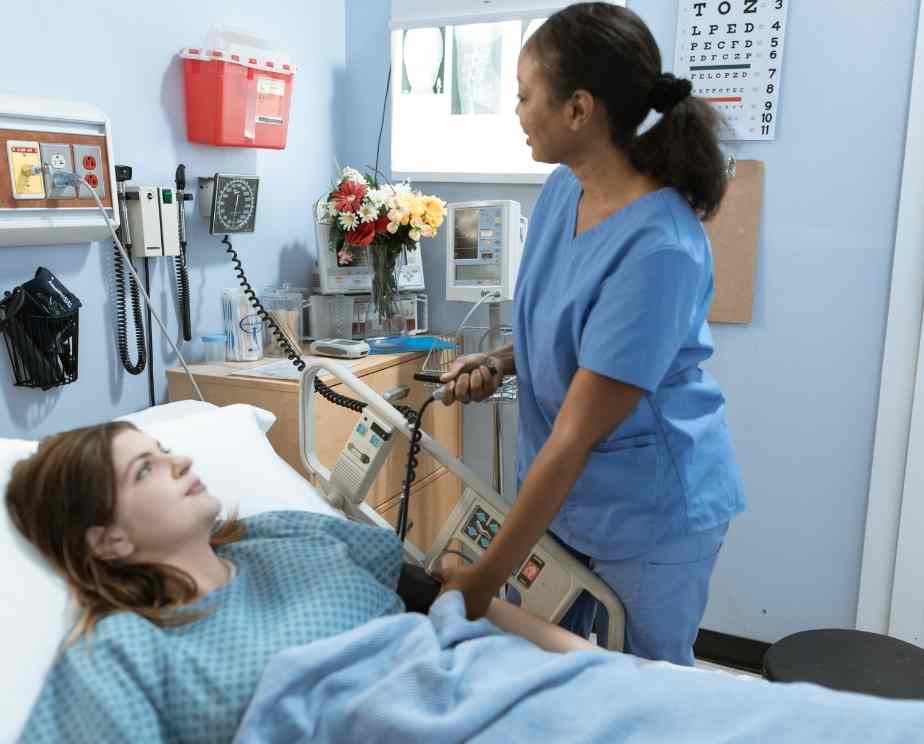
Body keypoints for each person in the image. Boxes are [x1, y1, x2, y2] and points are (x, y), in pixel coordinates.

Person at [438, 2, 745, 666]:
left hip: (646, 514)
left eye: (525, 96)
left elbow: (577, 434)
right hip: (572, 503)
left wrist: (483, 583)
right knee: (570, 677)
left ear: (578, 110)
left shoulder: (660, 247)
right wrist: (501, 359)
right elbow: (569, 332)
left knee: (642, 690)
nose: (517, 112)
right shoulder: (559, 193)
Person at [6, 420, 596, 743]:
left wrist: (585, 664)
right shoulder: (123, 651)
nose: (180, 461)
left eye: (164, 449)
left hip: (496, 693)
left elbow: (444, 598)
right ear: (108, 540)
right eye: (147, 469)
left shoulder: (282, 535)